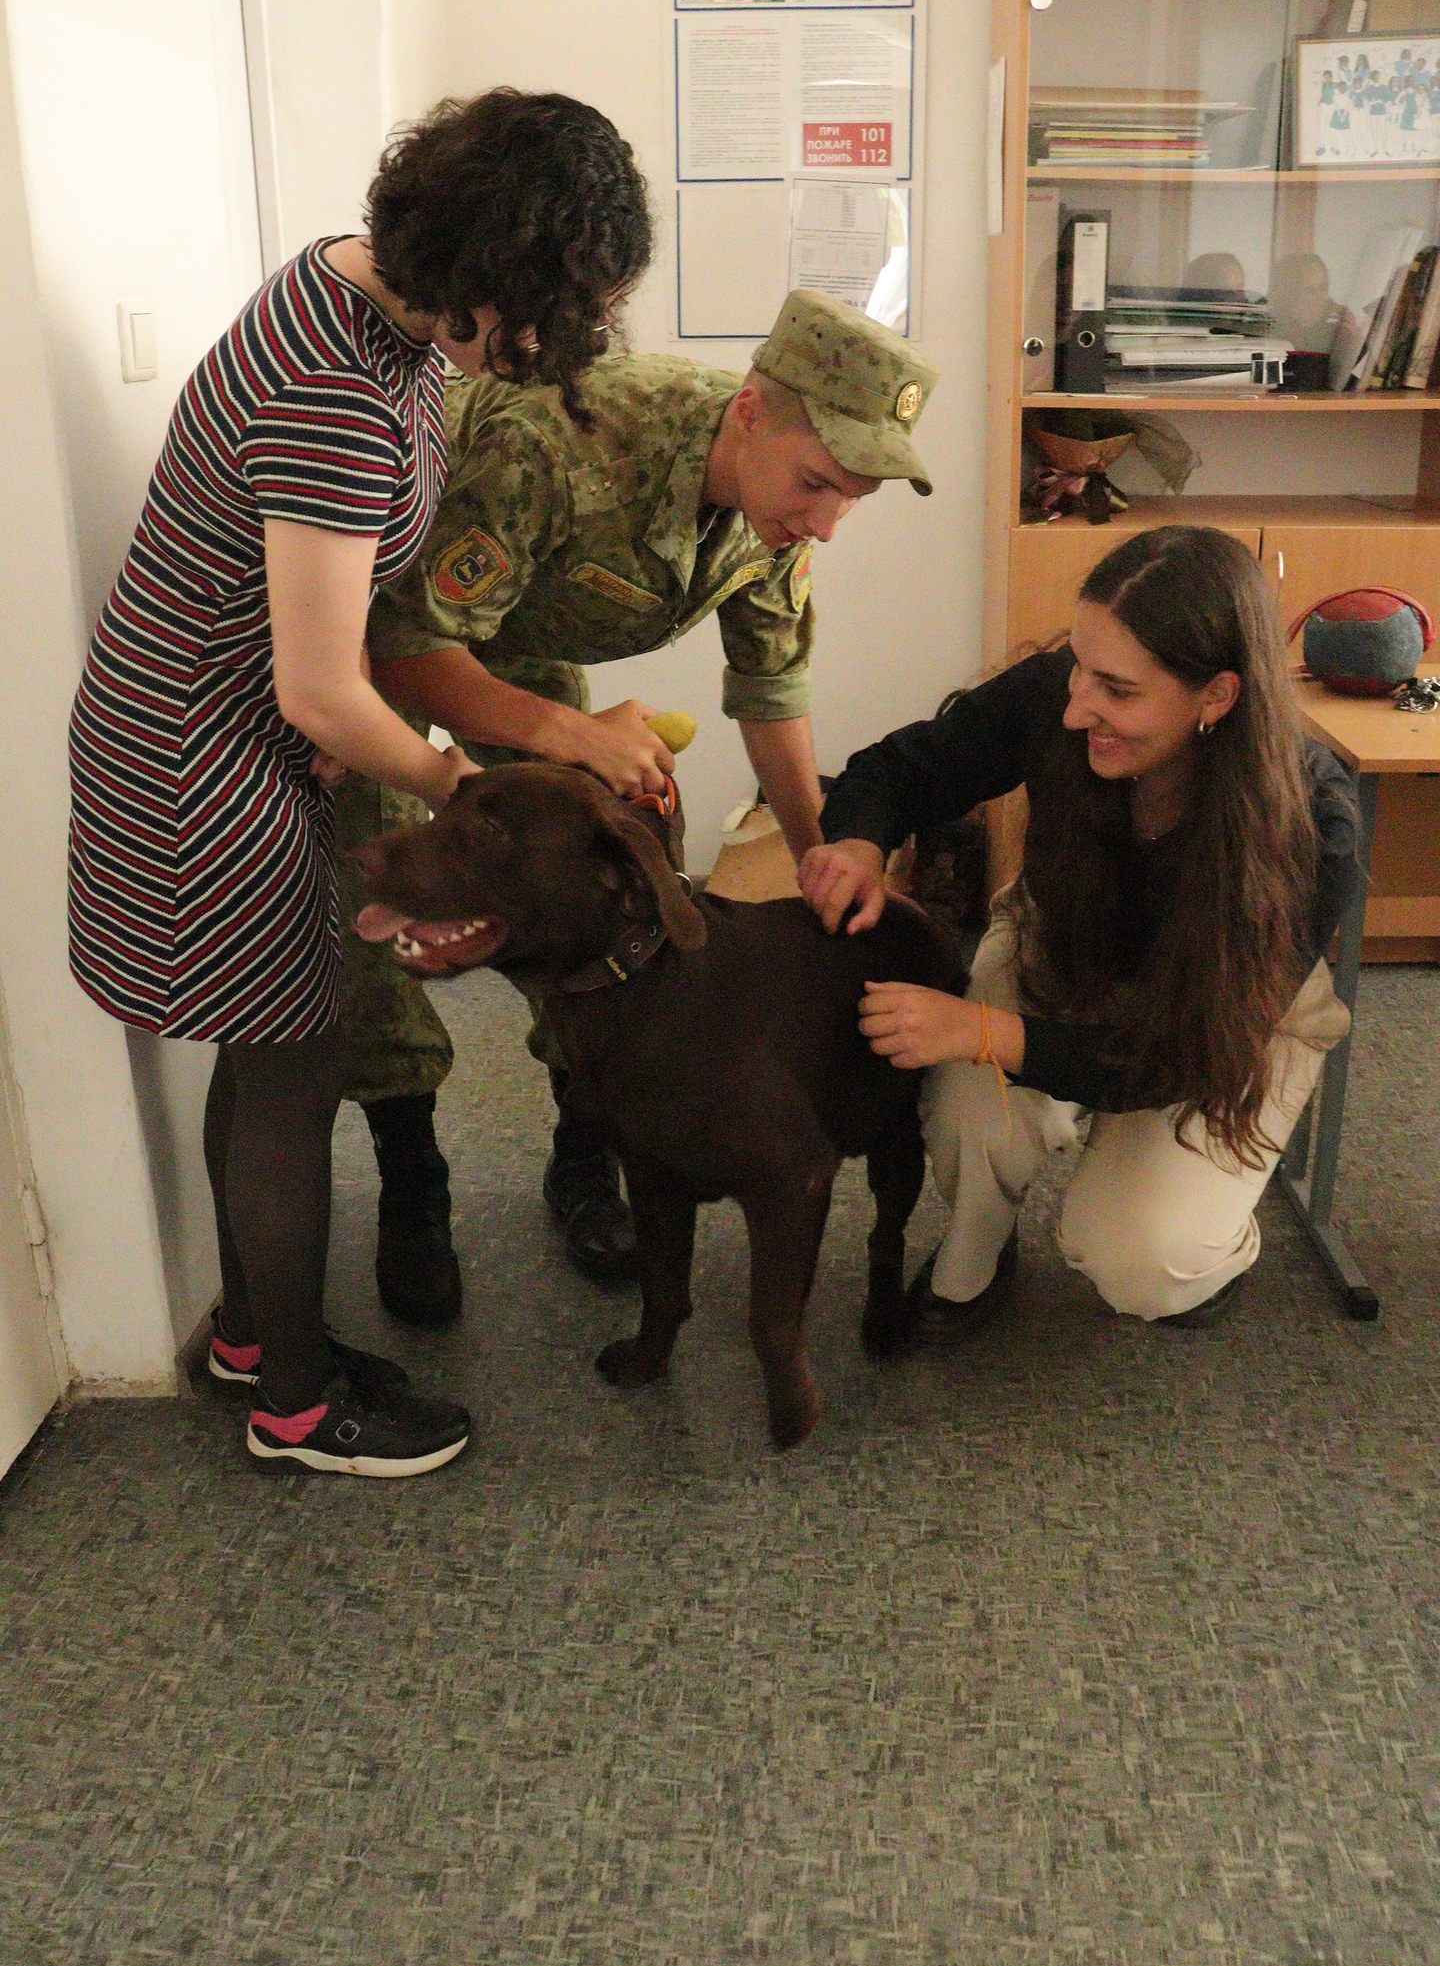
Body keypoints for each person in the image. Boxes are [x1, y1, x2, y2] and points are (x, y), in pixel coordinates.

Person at [68, 88, 653, 1476]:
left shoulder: (357, 290)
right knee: (295, 1064)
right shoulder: (338, 390)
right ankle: (296, 1404)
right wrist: (457, 783)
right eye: (542, 316)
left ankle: (246, 1337)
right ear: (486, 267)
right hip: (202, 759)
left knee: (260, 1043)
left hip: (208, 722)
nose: (542, 349)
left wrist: (336, 702)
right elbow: (320, 691)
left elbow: (309, 636)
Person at [341, 288, 939, 1314]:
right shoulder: (562, 444)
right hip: (377, 640)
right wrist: (570, 734)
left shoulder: (780, 513)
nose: (825, 523)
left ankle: (585, 1147)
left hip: (520, 640)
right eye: (817, 485)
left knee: (578, 872)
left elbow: (770, 690)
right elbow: (404, 644)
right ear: (749, 412)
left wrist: (820, 857)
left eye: (851, 499)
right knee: (395, 883)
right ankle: (410, 1170)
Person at [799, 525, 1359, 1334]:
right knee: (965, 1112)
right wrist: (859, 842)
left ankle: (1206, 1243)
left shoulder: (1311, 827)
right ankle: (977, 1255)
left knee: (1144, 1260)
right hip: (1067, 948)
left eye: (1118, 691)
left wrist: (981, 1030)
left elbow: (1181, 1056)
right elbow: (897, 770)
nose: (1074, 707)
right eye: (1077, 666)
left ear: (1217, 696)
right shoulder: (1062, 698)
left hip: (1216, 1023)